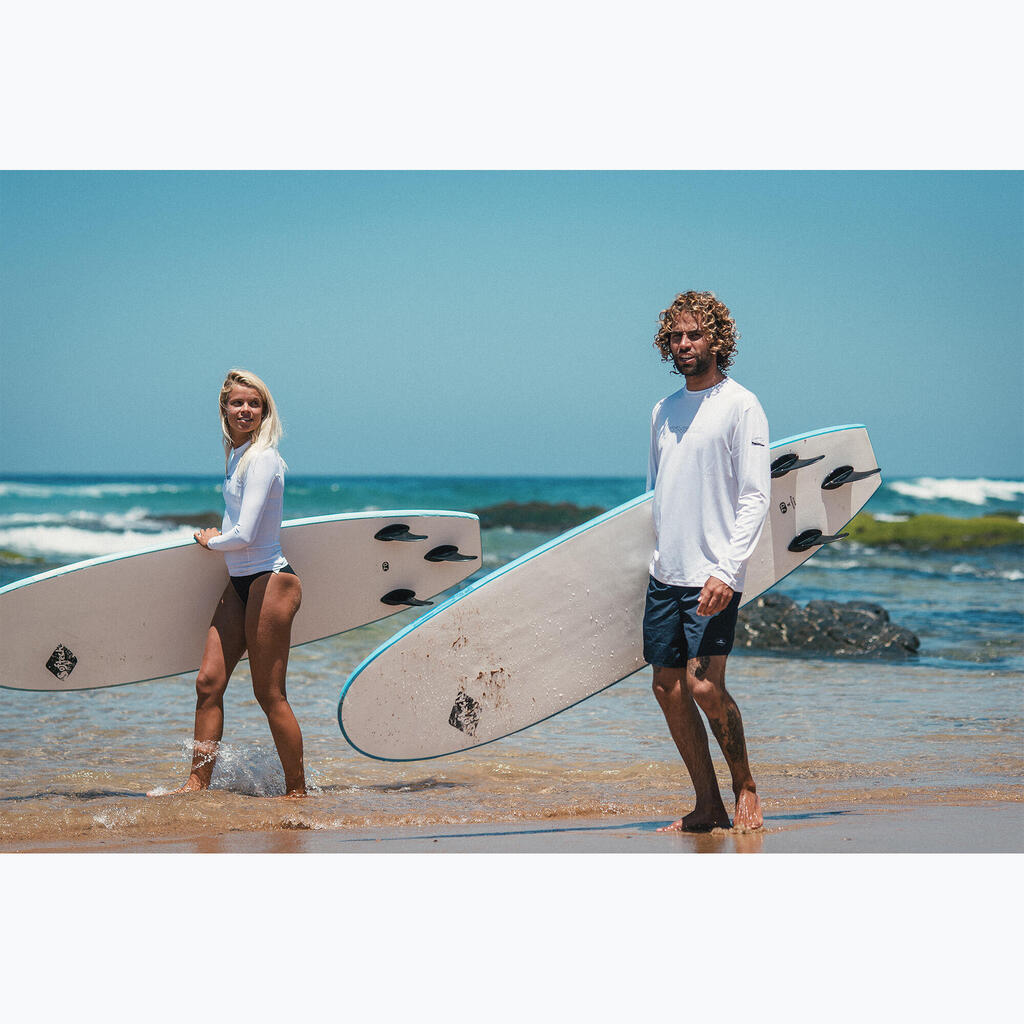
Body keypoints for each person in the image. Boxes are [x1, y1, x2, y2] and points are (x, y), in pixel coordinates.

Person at [645, 291, 770, 831]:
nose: (684, 343)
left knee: (704, 686)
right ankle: (707, 804)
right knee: (667, 688)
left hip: (713, 573)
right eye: (675, 335)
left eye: (694, 334)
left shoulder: (741, 405)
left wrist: (727, 570)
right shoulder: (662, 410)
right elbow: (655, 493)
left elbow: (756, 496)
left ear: (716, 339)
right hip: (665, 573)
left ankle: (745, 786)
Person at [156, 369, 306, 797]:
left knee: (269, 694)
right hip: (239, 581)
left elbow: (244, 534)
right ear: (224, 408)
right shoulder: (238, 456)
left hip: (270, 580)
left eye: (254, 403)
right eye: (238, 402)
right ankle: (196, 784)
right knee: (208, 682)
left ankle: (297, 792)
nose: (245, 410)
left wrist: (210, 541)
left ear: (265, 411)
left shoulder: (263, 458)